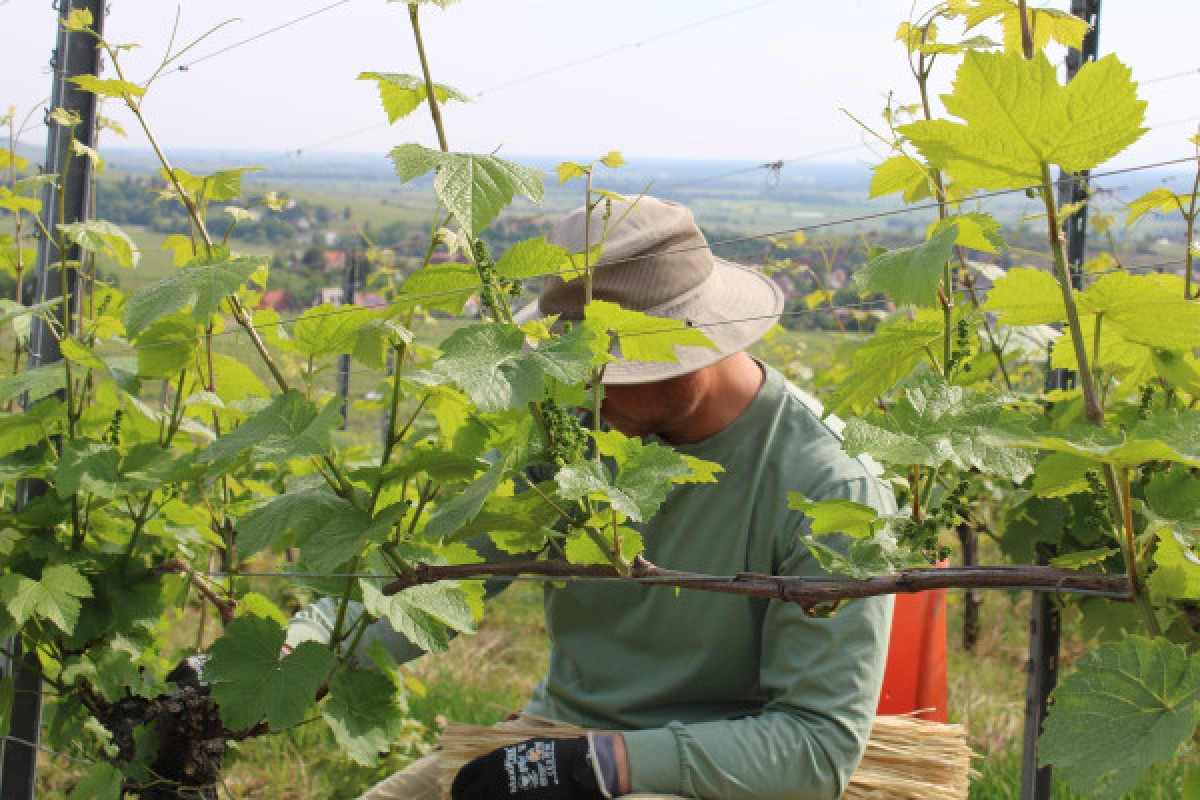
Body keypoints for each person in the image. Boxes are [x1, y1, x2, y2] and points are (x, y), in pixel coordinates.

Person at [286, 196, 896, 800]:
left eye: (604, 372)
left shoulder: (833, 488)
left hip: (715, 768)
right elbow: (435, 578)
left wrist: (602, 765)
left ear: (694, 346)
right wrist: (297, 653)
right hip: (563, 733)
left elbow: (817, 749)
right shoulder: (574, 438)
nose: (580, 396)